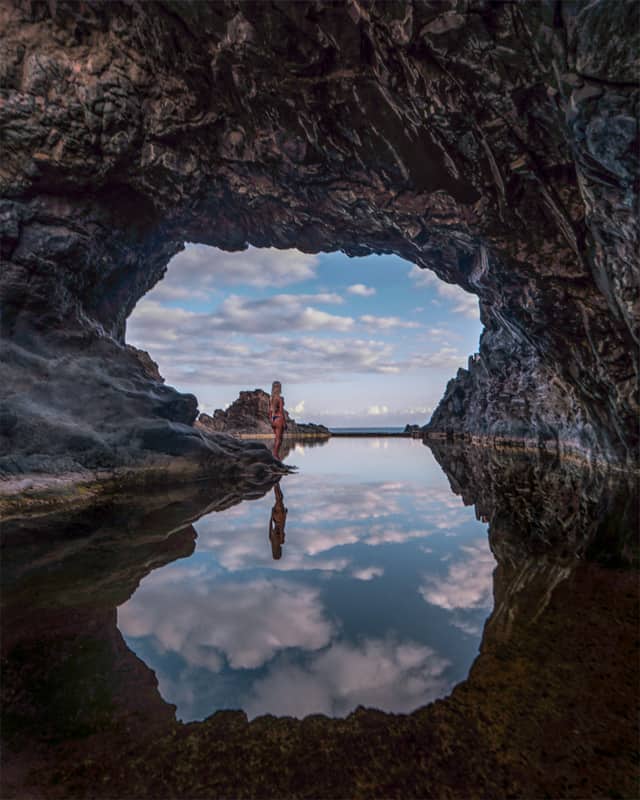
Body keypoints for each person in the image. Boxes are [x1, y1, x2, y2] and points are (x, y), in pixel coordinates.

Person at [268, 483, 287, 560]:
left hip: (280, 518)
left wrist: (285, 515)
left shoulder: (281, 541)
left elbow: (282, 527)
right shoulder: (271, 539)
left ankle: (275, 482)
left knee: (279, 498)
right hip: (275, 518)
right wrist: (271, 514)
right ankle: (276, 483)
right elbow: (270, 525)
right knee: (279, 498)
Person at [269, 380, 286, 458]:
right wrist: (284, 422)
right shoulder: (280, 398)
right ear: (279, 388)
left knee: (276, 438)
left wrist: (271, 420)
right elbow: (281, 411)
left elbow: (269, 411)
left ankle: (275, 454)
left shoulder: (271, 398)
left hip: (273, 419)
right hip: (279, 418)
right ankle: (275, 455)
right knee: (279, 439)